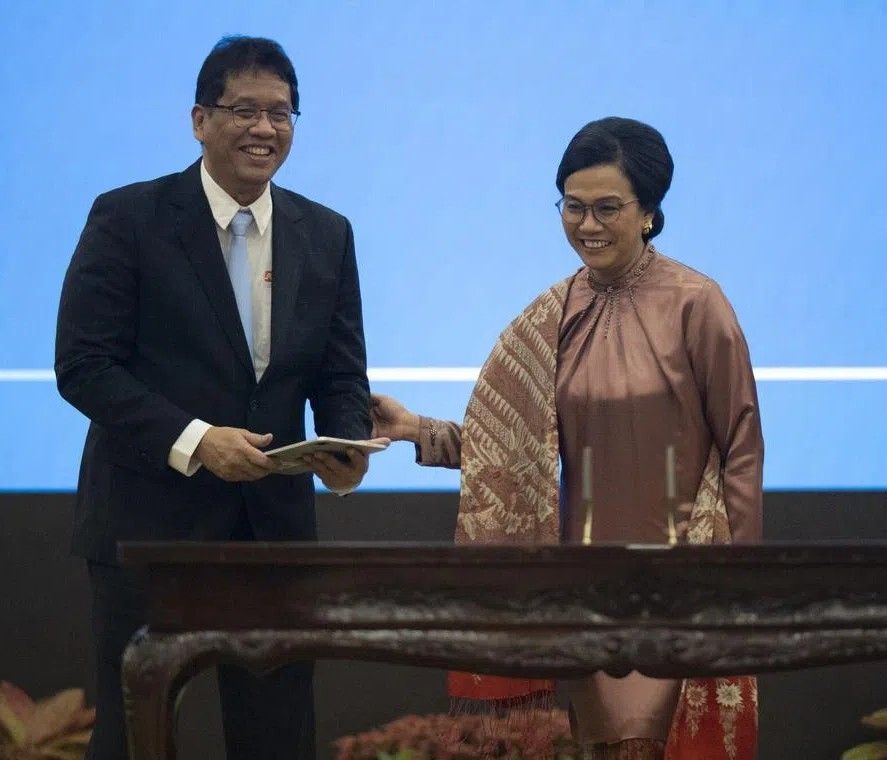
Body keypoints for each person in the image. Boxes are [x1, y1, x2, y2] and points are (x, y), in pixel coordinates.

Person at [371, 117, 763, 760]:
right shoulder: (551, 315)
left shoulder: (697, 304)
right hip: (579, 597)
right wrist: (419, 431)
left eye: (608, 208)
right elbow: (514, 451)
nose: (588, 225)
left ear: (649, 212)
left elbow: (742, 444)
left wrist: (737, 586)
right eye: (573, 207)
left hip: (678, 590)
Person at [55, 35, 377, 760]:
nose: (264, 129)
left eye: (282, 114)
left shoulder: (326, 233)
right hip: (148, 527)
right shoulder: (129, 218)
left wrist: (345, 444)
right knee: (135, 733)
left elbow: (338, 372)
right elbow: (83, 365)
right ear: (199, 119)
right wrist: (198, 440)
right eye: (244, 110)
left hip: (274, 534)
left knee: (278, 736)